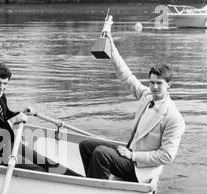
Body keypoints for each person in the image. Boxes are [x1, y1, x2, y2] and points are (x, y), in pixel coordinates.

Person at [79, 32, 185, 183]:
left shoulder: (174, 118)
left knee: (101, 153)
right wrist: (112, 48)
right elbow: (126, 77)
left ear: (169, 85)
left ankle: (96, 190)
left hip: (140, 168)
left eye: (159, 83)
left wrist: (132, 156)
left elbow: (166, 156)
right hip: (130, 151)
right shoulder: (147, 96)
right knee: (87, 145)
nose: (154, 87)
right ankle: (91, 181)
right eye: (152, 82)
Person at [0, 62, 80, 175]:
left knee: (48, 163)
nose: (2, 87)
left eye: (5, 83)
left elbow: (6, 115)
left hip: (6, 145)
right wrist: (14, 120)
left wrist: (22, 113)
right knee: (39, 170)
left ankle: (82, 179)